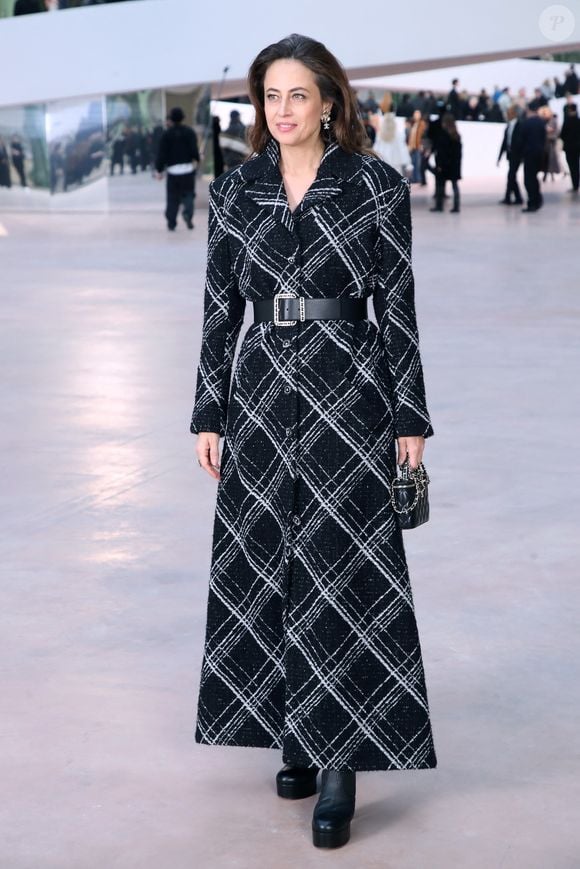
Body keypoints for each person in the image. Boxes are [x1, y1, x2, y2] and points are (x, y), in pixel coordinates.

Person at [190, 32, 437, 851]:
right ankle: (292, 728)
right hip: (260, 395)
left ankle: (339, 756)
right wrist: (209, 411)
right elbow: (220, 310)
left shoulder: (374, 186)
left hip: (347, 389)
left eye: (299, 95)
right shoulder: (238, 191)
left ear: (329, 100)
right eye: (271, 97)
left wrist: (410, 419)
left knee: (339, 567)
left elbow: (396, 310)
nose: (284, 111)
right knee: (272, 562)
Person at [155, 106, 200, 231]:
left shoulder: (166, 135)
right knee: (189, 195)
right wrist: (198, 158)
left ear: (171, 119)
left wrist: (159, 169)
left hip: (173, 172)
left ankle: (171, 222)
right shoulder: (190, 132)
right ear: (183, 118)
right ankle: (188, 214)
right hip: (187, 170)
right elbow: (193, 150)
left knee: (172, 198)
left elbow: (161, 154)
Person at [429, 111, 462, 213]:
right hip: (454, 165)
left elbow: (441, 153)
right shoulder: (456, 136)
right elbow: (458, 154)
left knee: (440, 185)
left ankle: (439, 206)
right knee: (454, 185)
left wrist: (440, 165)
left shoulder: (444, 136)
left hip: (444, 165)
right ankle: (456, 206)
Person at [520, 103, 547, 212]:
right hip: (539, 153)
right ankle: (537, 199)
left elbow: (522, 139)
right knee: (534, 178)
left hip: (529, 154)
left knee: (529, 179)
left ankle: (532, 202)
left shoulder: (526, 123)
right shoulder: (541, 123)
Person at [497, 105, 523, 205]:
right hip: (510, 155)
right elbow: (504, 143)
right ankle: (513, 197)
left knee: (511, 176)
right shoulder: (508, 126)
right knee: (511, 176)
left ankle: (512, 197)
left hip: (516, 155)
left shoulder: (519, 125)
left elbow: (519, 142)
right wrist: (499, 157)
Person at [560, 103, 580, 193]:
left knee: (573, 167)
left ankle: (575, 185)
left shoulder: (567, 122)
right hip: (577, 146)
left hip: (570, 148)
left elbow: (562, 135)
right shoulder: (578, 121)